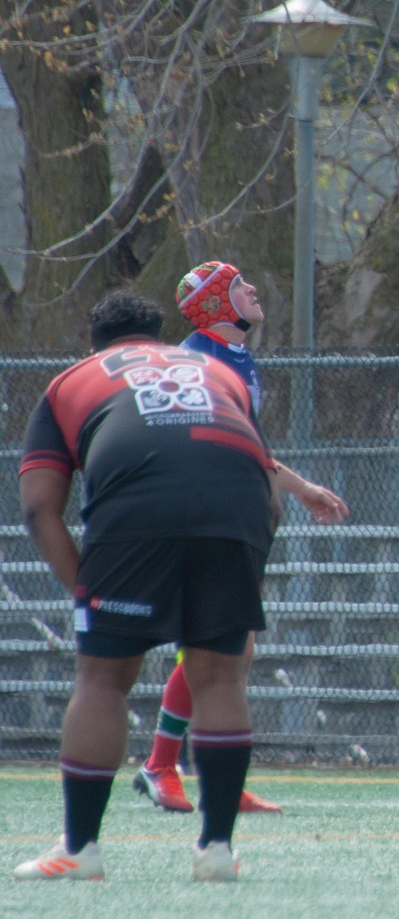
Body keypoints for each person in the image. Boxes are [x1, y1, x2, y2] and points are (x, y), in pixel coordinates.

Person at [13, 292, 277, 882]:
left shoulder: (71, 381)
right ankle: (216, 851)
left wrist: (86, 588)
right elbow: (269, 489)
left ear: (96, 343)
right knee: (219, 676)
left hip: (135, 515)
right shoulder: (217, 370)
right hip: (236, 514)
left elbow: (38, 509)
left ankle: (80, 850)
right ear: (160, 336)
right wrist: (249, 562)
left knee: (104, 678)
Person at [133, 260, 350, 817]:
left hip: (236, 510)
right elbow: (197, 439)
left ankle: (213, 776)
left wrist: (298, 488)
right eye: (238, 285)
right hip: (204, 511)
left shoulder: (233, 356)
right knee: (218, 646)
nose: (253, 289)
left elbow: (245, 444)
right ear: (217, 305)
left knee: (236, 648)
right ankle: (161, 766)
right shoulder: (198, 358)